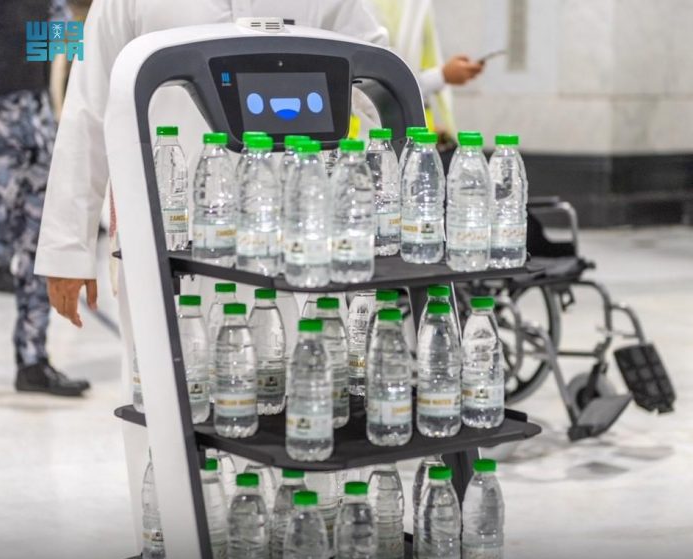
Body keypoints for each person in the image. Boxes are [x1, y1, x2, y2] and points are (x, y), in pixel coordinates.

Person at [35, 0, 387, 331]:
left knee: (295, 359)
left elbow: (382, 81)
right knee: (163, 367)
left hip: (293, 240)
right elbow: (89, 107)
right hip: (163, 233)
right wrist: (67, 248)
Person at [0, 0, 90, 396]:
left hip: (37, 127)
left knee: (37, 247)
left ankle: (33, 362)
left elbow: (63, 52)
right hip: (5, 130)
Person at [369, 0, 484, 134]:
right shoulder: (379, 7)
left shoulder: (417, 5)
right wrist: (442, 75)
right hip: (379, 133)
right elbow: (384, 83)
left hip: (415, 134)